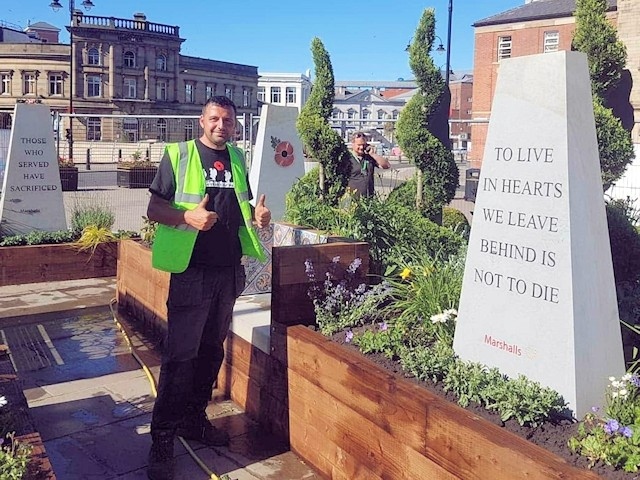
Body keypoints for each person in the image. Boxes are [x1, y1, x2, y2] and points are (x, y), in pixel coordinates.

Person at [145, 96, 270, 480]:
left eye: (228, 121)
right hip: (191, 271)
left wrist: (260, 216)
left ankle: (193, 419)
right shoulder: (179, 155)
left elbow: (243, 208)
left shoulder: (236, 159)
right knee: (180, 356)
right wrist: (187, 216)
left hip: (227, 272)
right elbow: (153, 209)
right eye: (215, 118)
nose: (221, 125)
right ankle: (163, 435)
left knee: (210, 352)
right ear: (202, 121)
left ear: (234, 126)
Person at [347, 131, 390, 197]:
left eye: (363, 144)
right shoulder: (348, 158)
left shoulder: (369, 157)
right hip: (352, 200)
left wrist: (373, 154)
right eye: (359, 145)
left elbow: (386, 165)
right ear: (353, 144)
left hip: (368, 199)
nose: (361, 147)